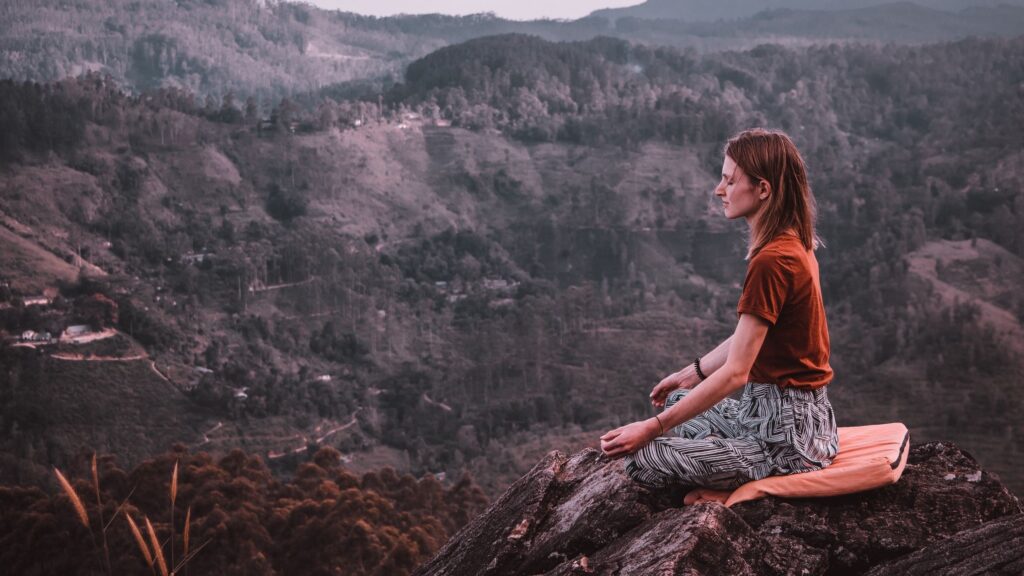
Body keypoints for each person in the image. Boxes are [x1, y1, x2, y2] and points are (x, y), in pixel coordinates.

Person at [600, 128, 839, 491]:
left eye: (730, 180)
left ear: (763, 189)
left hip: (784, 442)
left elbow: (735, 374)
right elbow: (752, 336)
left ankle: (735, 470)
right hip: (795, 421)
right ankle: (721, 455)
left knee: (644, 458)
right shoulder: (794, 244)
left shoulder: (772, 261)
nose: (719, 189)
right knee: (679, 400)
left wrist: (652, 428)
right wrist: (692, 372)